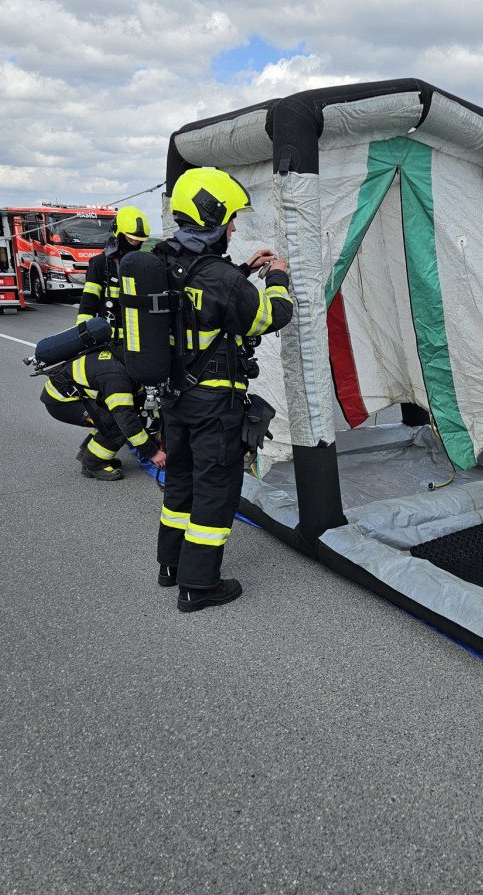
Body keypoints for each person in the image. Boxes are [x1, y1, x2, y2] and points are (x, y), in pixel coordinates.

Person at [153, 167, 293, 613]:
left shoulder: (163, 264)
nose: (233, 228)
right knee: (215, 489)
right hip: (213, 404)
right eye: (230, 218)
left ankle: (171, 565)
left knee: (180, 483)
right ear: (212, 217)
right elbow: (270, 317)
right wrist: (276, 279)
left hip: (174, 398)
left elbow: (199, 300)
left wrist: (243, 270)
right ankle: (198, 586)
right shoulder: (219, 278)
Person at [40, 346, 166, 480]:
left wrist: (157, 437)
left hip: (74, 393)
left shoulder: (127, 360)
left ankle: (88, 452)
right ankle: (93, 463)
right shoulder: (117, 379)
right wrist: (152, 453)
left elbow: (141, 406)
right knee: (117, 422)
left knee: (112, 416)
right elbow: (126, 419)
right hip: (61, 402)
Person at [78, 206, 150, 336]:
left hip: (139, 338)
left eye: (139, 241)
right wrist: (83, 335)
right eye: (130, 239)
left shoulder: (144, 264)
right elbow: (88, 303)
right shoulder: (100, 263)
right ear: (119, 234)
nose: (135, 243)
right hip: (108, 338)